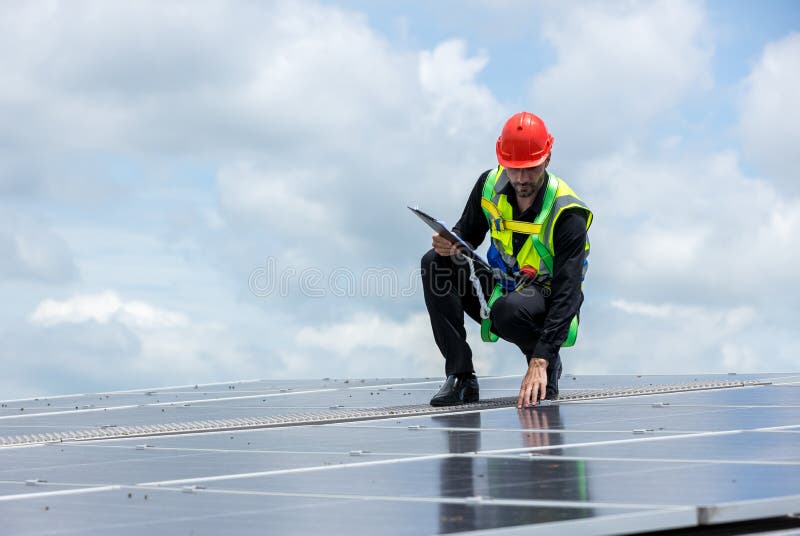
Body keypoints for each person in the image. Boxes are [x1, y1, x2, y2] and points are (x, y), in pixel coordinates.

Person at [421, 112, 592, 409]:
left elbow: (568, 291)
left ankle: (546, 366)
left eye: (530, 169)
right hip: (504, 287)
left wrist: (542, 358)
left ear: (547, 159)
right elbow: (467, 235)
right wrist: (449, 242)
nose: (521, 179)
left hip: (547, 298)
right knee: (435, 263)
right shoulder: (489, 185)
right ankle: (461, 377)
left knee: (507, 310)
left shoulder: (567, 212)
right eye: (514, 169)